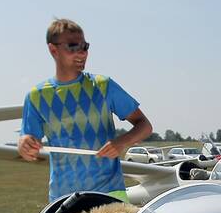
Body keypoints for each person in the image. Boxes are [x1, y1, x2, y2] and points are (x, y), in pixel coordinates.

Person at [18, 18, 152, 202]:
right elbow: (28, 142)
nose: (82, 53)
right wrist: (25, 145)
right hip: (63, 200)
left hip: (111, 196)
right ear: (53, 50)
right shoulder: (36, 96)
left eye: (85, 46)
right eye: (73, 46)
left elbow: (144, 125)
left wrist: (121, 142)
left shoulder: (103, 85)